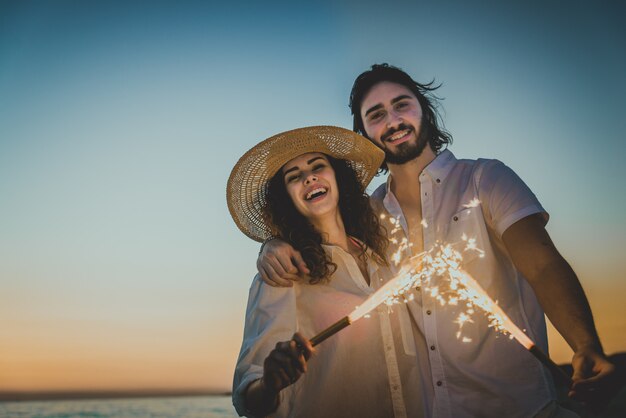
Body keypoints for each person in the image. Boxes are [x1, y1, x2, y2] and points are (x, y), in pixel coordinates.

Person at [257, 64, 616, 417]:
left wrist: (585, 344)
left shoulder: (486, 179)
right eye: (376, 114)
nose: (393, 121)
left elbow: (542, 265)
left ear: (424, 110)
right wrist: (274, 244)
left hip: (520, 406)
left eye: (402, 104)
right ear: (364, 132)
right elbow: (318, 225)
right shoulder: (370, 215)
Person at [228, 126, 432, 418]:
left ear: (338, 177)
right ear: (287, 198)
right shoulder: (282, 276)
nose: (308, 177)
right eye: (294, 177)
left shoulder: (386, 257)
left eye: (317, 167)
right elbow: (248, 396)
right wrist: (270, 384)